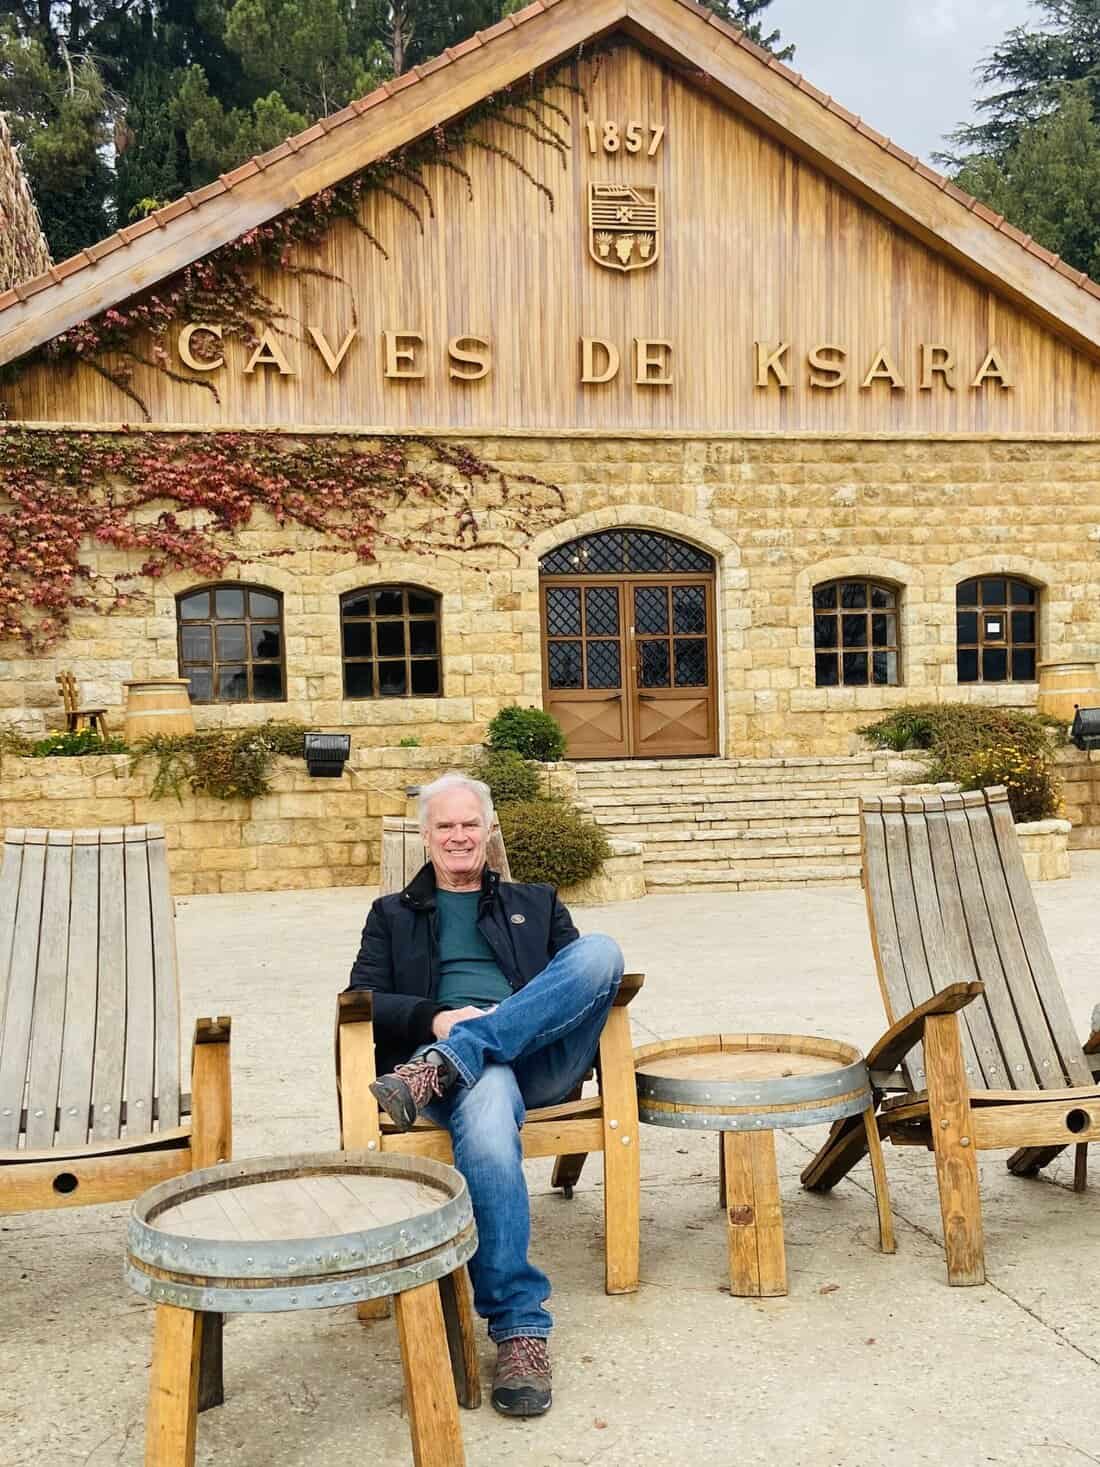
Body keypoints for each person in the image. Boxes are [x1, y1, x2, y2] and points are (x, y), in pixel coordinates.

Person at [347, 771, 624, 1419]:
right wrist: (438, 1020)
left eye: (469, 823)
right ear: (425, 836)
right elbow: (364, 999)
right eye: (445, 825)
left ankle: (456, 1059)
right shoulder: (391, 915)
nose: (458, 835)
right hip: (458, 1069)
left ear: (489, 830)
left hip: (536, 1060)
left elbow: (575, 985)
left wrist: (477, 1035)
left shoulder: (538, 901)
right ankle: (519, 1327)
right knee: (489, 1092)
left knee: (601, 952)